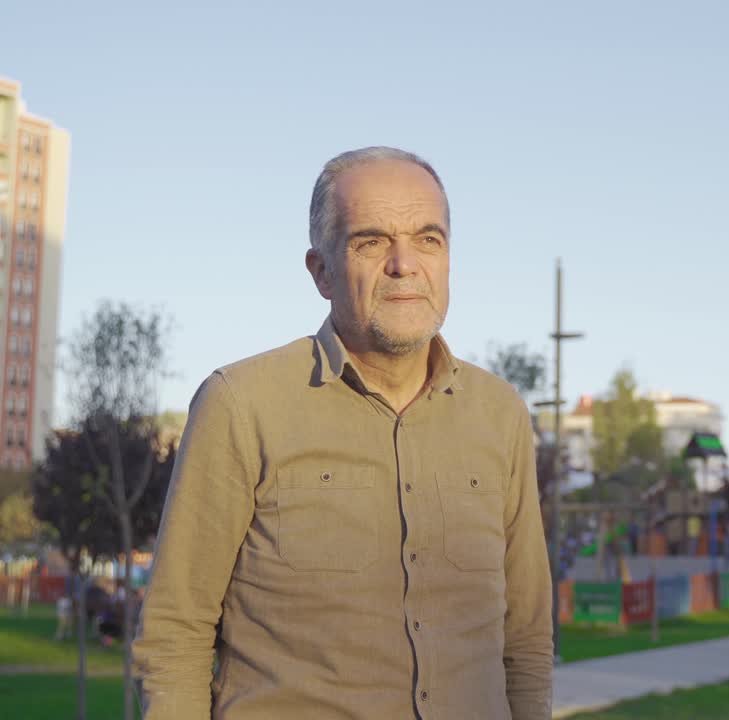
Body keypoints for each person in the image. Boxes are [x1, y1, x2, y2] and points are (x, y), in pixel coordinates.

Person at [133, 147, 553, 719]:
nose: (405, 264)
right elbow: (173, 636)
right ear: (321, 271)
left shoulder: (500, 413)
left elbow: (525, 637)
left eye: (428, 239)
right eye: (371, 241)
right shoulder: (240, 404)